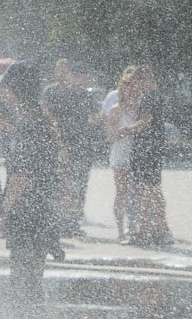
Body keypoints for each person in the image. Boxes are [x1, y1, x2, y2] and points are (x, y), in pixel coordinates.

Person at [0, 60, 62, 301]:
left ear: (18, 89)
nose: (3, 91)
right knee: (31, 281)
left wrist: (3, 215)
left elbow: (21, 174)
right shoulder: (37, 119)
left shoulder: (30, 123)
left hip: (27, 214)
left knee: (23, 283)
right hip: (40, 210)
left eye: (7, 87)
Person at [42, 58, 99, 237]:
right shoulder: (51, 91)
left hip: (82, 146)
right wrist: (59, 139)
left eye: (66, 70)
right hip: (60, 144)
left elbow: (96, 114)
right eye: (59, 69)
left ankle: (73, 222)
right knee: (61, 183)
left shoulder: (83, 93)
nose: (63, 73)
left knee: (80, 184)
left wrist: (88, 123)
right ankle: (58, 221)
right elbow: (46, 113)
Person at [124, 65, 173, 246]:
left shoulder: (149, 97)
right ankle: (156, 230)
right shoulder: (158, 96)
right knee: (152, 188)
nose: (136, 86)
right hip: (154, 148)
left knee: (146, 189)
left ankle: (148, 231)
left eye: (137, 81)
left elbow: (145, 122)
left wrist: (126, 129)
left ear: (145, 80)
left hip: (146, 149)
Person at [103, 68, 139, 242]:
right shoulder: (116, 110)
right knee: (122, 193)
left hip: (138, 156)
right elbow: (111, 137)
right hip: (121, 155)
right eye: (127, 88)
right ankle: (120, 230)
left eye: (133, 87)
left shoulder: (141, 108)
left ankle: (135, 227)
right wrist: (126, 132)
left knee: (138, 192)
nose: (131, 91)